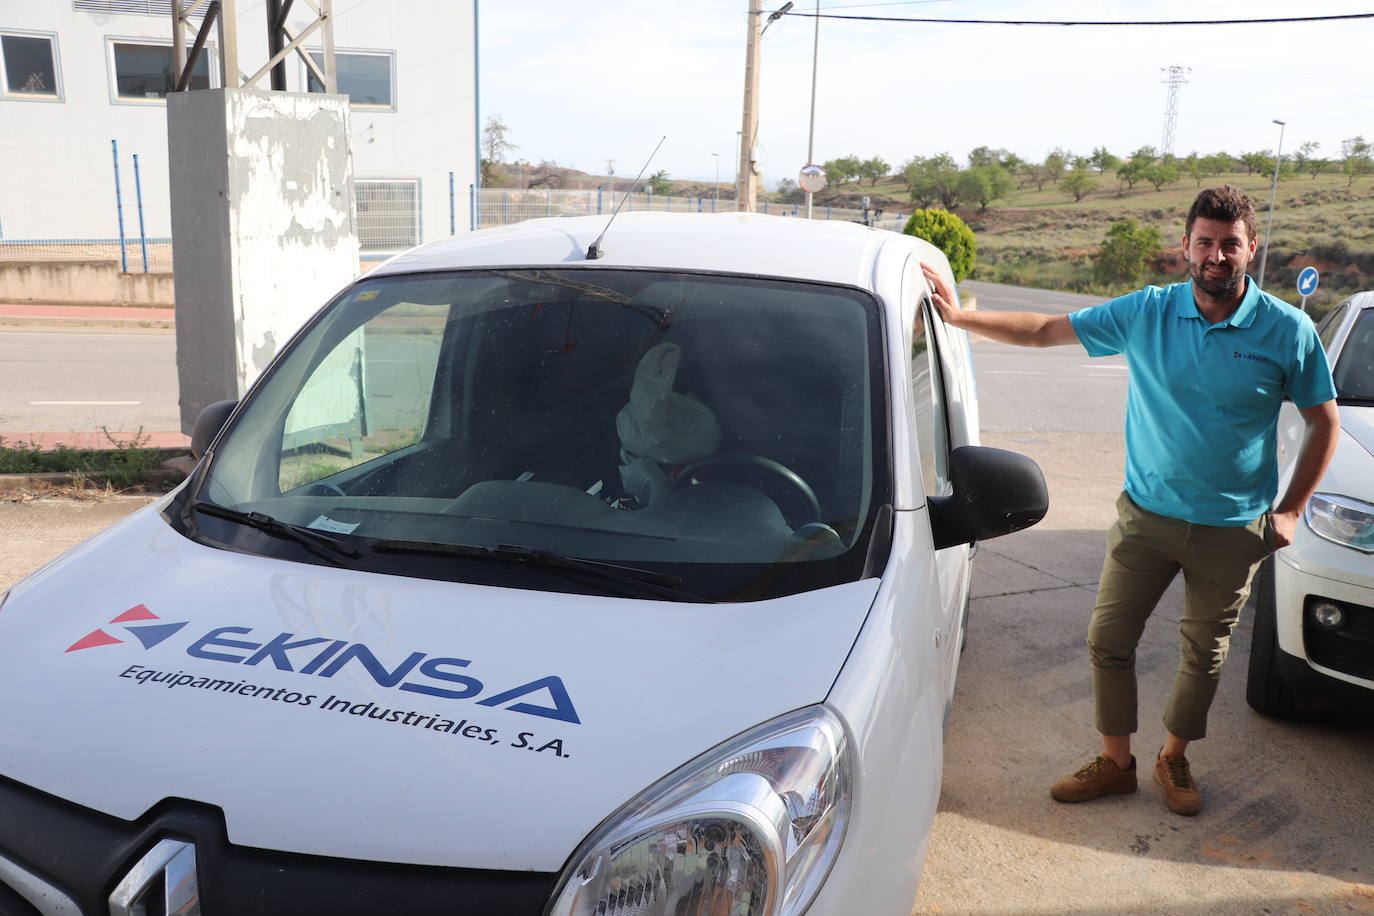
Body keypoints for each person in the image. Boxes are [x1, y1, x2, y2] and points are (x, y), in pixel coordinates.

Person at [923, 185, 1338, 816]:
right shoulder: (1148, 311)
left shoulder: (1288, 329)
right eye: (1206, 243)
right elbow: (1043, 329)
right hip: (1147, 517)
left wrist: (1291, 509)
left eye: (1231, 244)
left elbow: (1323, 422)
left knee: (1204, 653)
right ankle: (1117, 762)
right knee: (1108, 639)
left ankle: (1174, 757)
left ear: (1252, 248)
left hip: (1232, 529)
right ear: (1186, 247)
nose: (1217, 256)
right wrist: (961, 319)